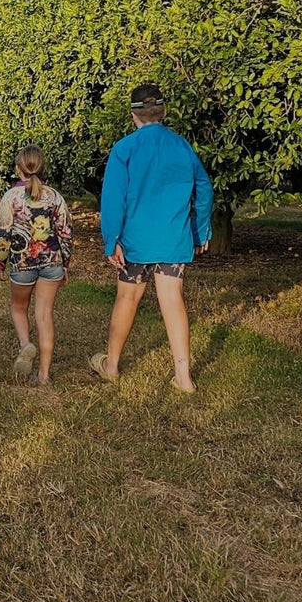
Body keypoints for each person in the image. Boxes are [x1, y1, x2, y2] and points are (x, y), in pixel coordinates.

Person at [90, 84, 213, 393]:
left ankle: (112, 365)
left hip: (135, 242)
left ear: (134, 116)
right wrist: (201, 230)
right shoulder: (182, 146)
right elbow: (204, 189)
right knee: (173, 301)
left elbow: (113, 199)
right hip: (174, 240)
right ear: (165, 113)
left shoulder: (124, 149)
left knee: (127, 298)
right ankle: (184, 378)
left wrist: (111, 239)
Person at [0, 145, 74, 386]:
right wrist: (65, 264)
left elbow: (2, 233)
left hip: (22, 264)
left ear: (19, 169)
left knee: (19, 307)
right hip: (52, 263)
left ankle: (25, 345)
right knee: (44, 316)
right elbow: (66, 233)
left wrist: (0, 263)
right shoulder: (55, 197)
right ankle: (44, 375)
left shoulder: (11, 198)